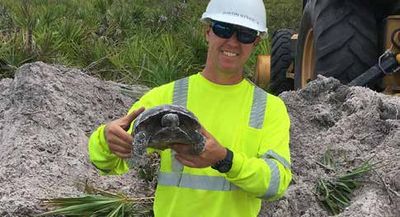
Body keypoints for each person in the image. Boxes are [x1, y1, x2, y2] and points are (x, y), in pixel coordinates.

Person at [88, 0, 292, 216]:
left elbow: (276, 183)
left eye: (245, 34)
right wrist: (106, 139)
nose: (232, 42)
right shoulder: (165, 96)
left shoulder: (269, 108)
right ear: (208, 32)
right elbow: (108, 164)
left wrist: (224, 159)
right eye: (223, 28)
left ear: (256, 42)